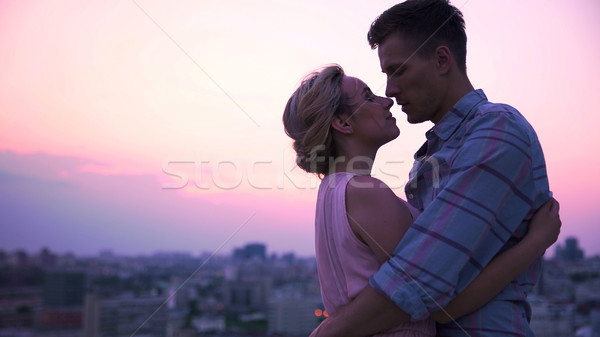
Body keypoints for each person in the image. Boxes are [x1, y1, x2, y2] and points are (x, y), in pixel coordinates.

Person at [307, 1, 556, 336]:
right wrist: (537, 241)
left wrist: (328, 331)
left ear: (441, 60)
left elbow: (419, 285)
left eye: (398, 71)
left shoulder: (496, 130)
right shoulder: (430, 156)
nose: (389, 92)